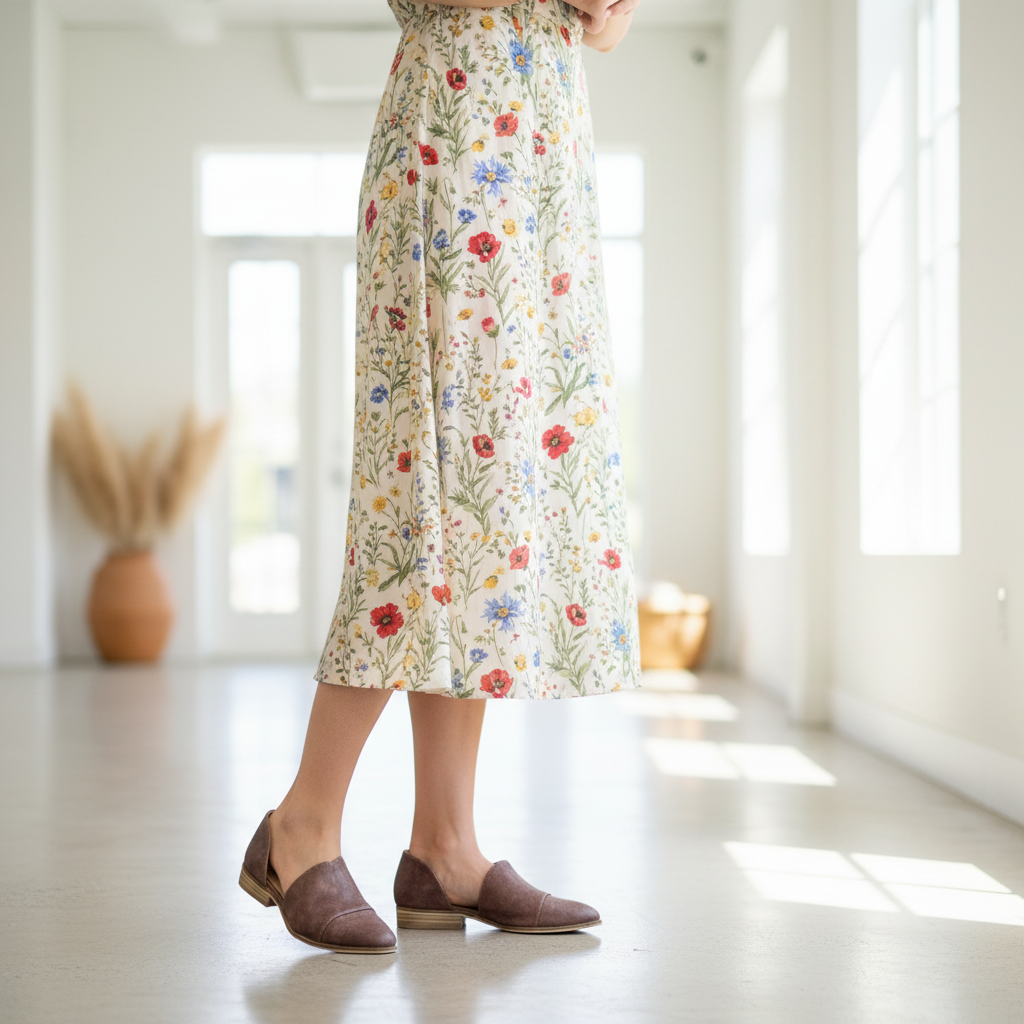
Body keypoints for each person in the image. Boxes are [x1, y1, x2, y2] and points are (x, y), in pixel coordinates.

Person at [239, 0, 641, 954]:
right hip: (456, 149)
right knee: (423, 497)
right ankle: (301, 825)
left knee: (492, 510)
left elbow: (609, 27)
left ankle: (444, 848)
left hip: (543, 155)